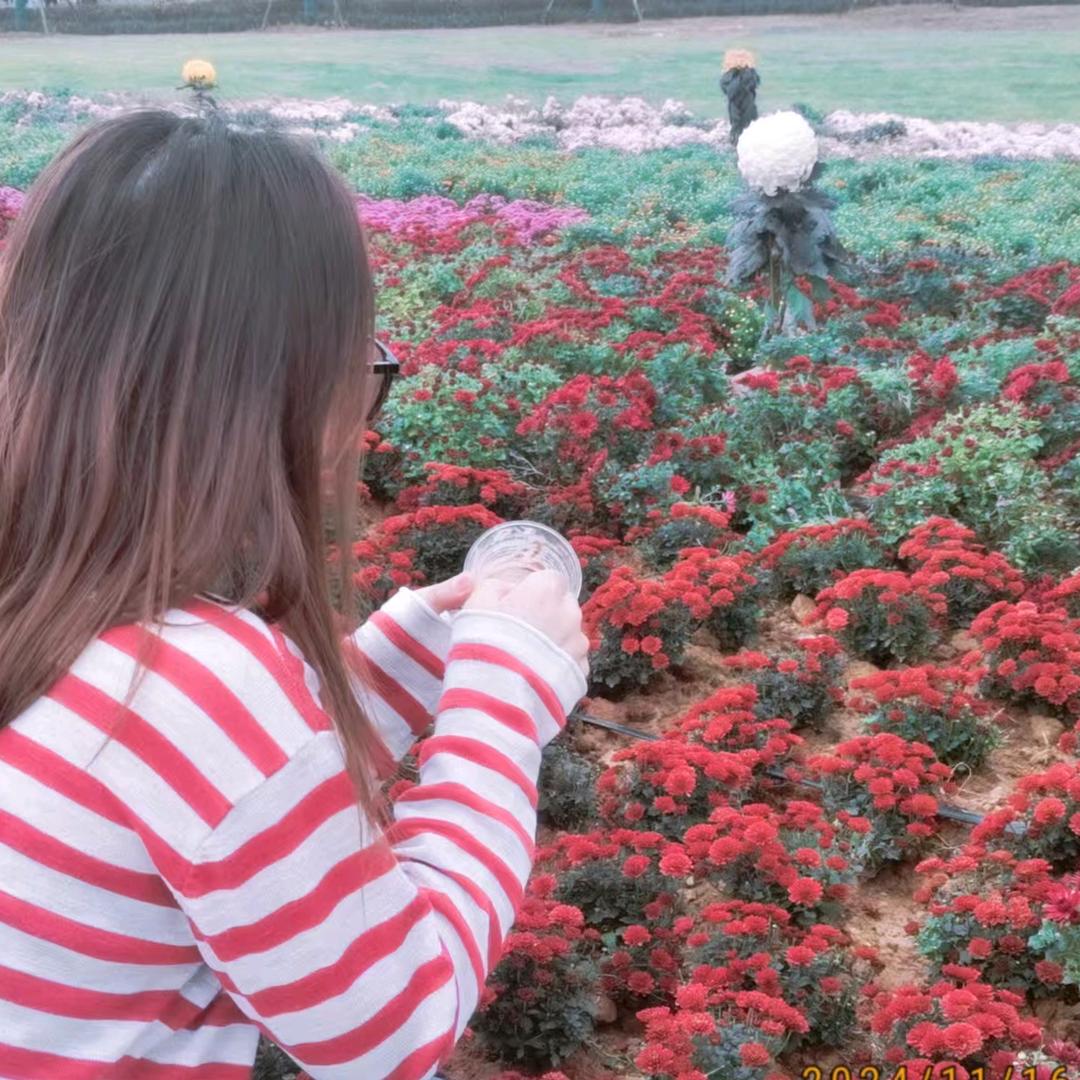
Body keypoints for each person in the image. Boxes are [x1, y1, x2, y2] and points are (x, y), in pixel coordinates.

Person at [0, 110, 589, 1079]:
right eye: (360, 368)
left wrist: (399, 664)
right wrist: (502, 707)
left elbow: (194, 801)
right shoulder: (187, 683)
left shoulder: (64, 603)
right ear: (275, 388)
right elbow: (391, 1030)